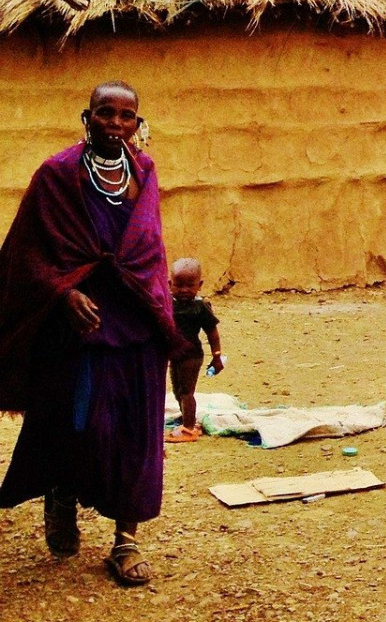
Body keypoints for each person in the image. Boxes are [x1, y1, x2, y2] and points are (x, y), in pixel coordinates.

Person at [0, 82, 178, 588]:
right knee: (73, 422)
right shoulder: (57, 174)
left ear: (137, 122)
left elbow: (148, 247)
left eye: (126, 116)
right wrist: (63, 293)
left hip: (135, 320)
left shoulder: (143, 172)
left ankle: (126, 540)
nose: (116, 124)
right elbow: (27, 251)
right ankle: (60, 493)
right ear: (87, 117)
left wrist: (150, 299)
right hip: (76, 327)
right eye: (106, 113)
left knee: (137, 430)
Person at [166, 257, 223, 442]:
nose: (184, 290)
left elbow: (212, 333)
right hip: (175, 355)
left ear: (199, 285)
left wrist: (217, 356)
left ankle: (189, 429)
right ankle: (187, 420)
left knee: (186, 392)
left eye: (189, 285)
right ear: (169, 284)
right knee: (177, 390)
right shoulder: (167, 304)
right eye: (178, 285)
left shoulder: (200, 308)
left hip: (191, 355)